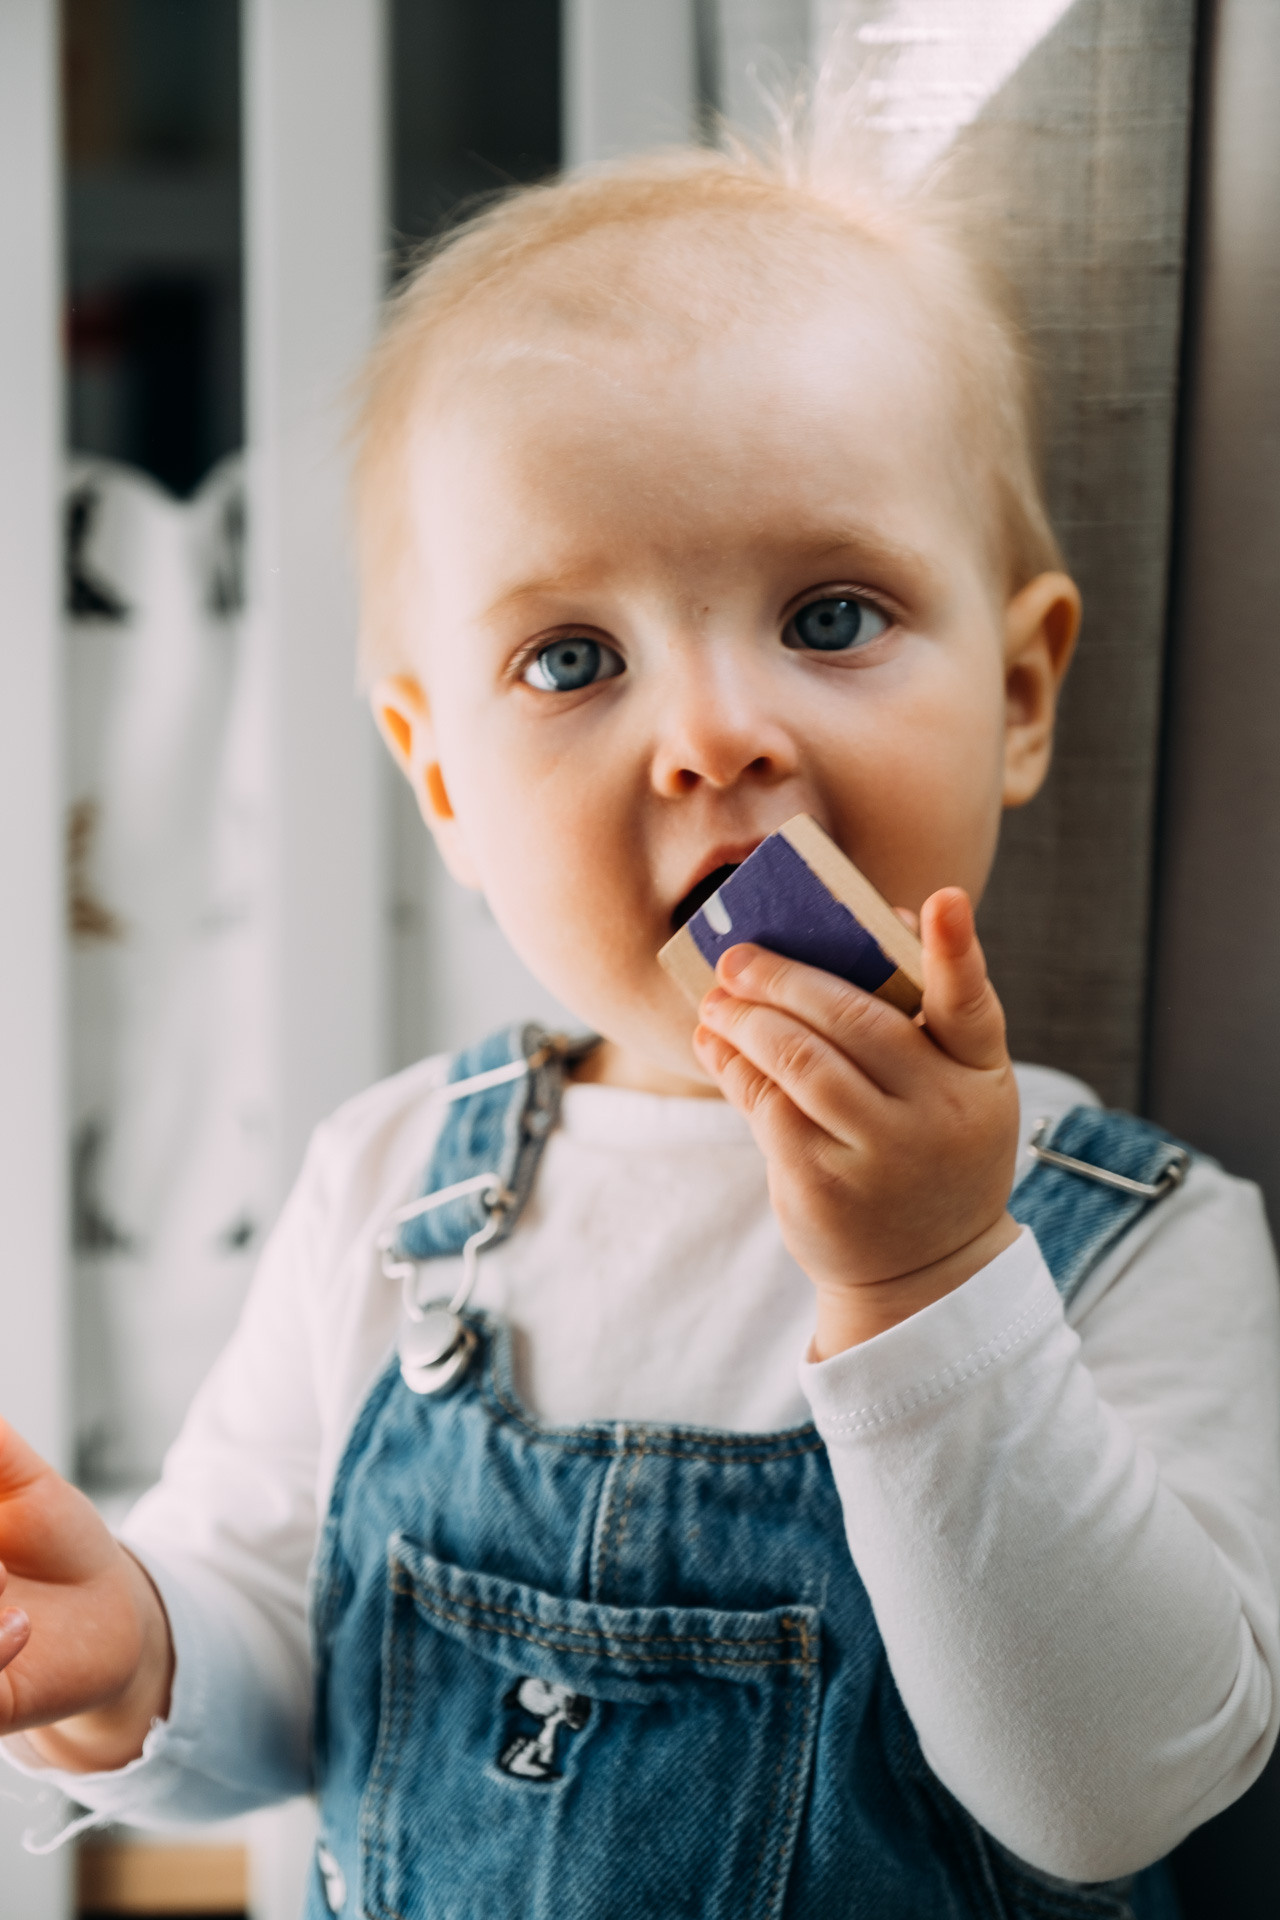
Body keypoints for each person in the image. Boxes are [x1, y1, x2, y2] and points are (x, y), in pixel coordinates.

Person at [2, 136, 1278, 1920]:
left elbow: (1114, 1795)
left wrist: (930, 1284)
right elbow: (274, 1679)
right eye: (573, 659)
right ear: (441, 782)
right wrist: (126, 1656)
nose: (714, 736)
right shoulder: (392, 1186)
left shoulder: (1140, 1242)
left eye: (830, 616)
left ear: (1016, 692)